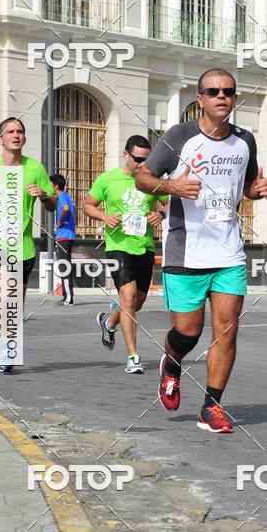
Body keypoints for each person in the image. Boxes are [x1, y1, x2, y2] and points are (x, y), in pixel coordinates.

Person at [135, 68, 267, 433]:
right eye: (212, 91)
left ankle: (211, 406)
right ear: (200, 98)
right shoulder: (179, 137)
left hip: (229, 252)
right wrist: (171, 187)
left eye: (228, 91)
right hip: (185, 250)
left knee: (226, 330)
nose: (221, 97)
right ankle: (171, 361)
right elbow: (142, 178)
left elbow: (247, 186)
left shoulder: (245, 141)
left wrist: (256, 192)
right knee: (188, 333)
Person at [0, 117, 56, 372]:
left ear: (24, 138)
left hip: (24, 244)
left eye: (20, 132)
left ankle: (7, 339)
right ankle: (6, 346)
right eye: (10, 132)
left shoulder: (35, 168)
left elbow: (51, 204)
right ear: (1, 139)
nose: (16, 135)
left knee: (15, 300)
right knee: (7, 294)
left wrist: (44, 196)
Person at [83, 135, 166, 374]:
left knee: (137, 302)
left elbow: (169, 205)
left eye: (146, 159)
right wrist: (104, 217)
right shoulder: (107, 179)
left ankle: (108, 322)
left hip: (145, 246)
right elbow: (88, 205)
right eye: (138, 158)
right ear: (126, 155)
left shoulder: (152, 180)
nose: (142, 163)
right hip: (117, 246)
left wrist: (160, 215)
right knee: (128, 297)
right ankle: (133, 357)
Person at [50, 173, 77, 306]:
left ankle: (68, 298)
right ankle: (67, 295)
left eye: (50, 184)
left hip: (63, 236)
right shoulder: (66, 195)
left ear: (55, 185)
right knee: (64, 266)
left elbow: (66, 208)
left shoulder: (61, 196)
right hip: (67, 236)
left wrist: (59, 223)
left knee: (64, 266)